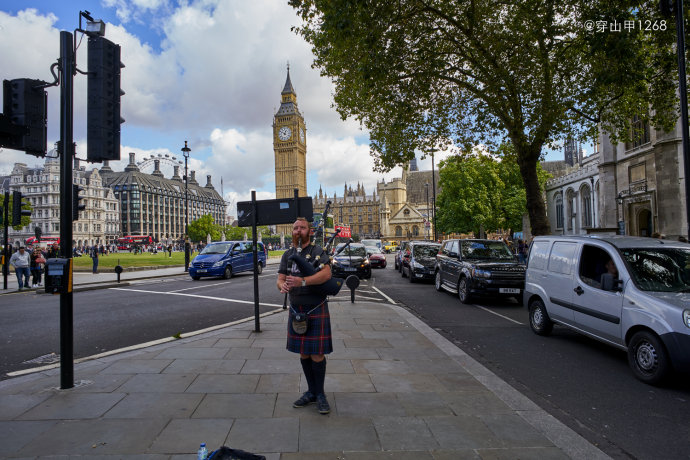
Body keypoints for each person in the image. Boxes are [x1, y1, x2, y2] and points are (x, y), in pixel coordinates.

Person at [277, 217, 333, 415]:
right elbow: (280, 278)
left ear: (309, 231)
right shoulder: (287, 254)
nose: (297, 231)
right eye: (295, 228)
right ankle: (311, 392)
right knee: (303, 353)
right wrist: (282, 285)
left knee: (317, 353)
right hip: (296, 309)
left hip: (315, 307)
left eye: (302, 228)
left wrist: (303, 282)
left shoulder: (317, 252)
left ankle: (321, 394)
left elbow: (326, 275)